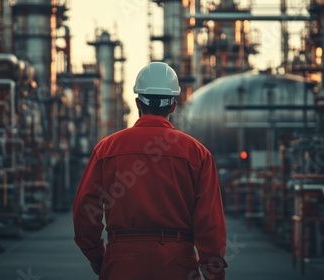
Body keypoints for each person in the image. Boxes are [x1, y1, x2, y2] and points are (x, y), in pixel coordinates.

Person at [73, 62, 227, 280]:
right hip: (177, 267)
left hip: (121, 265)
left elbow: (85, 212)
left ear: (138, 102)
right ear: (173, 105)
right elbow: (210, 223)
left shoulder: (106, 149)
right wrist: (215, 273)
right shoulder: (197, 154)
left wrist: (97, 257)